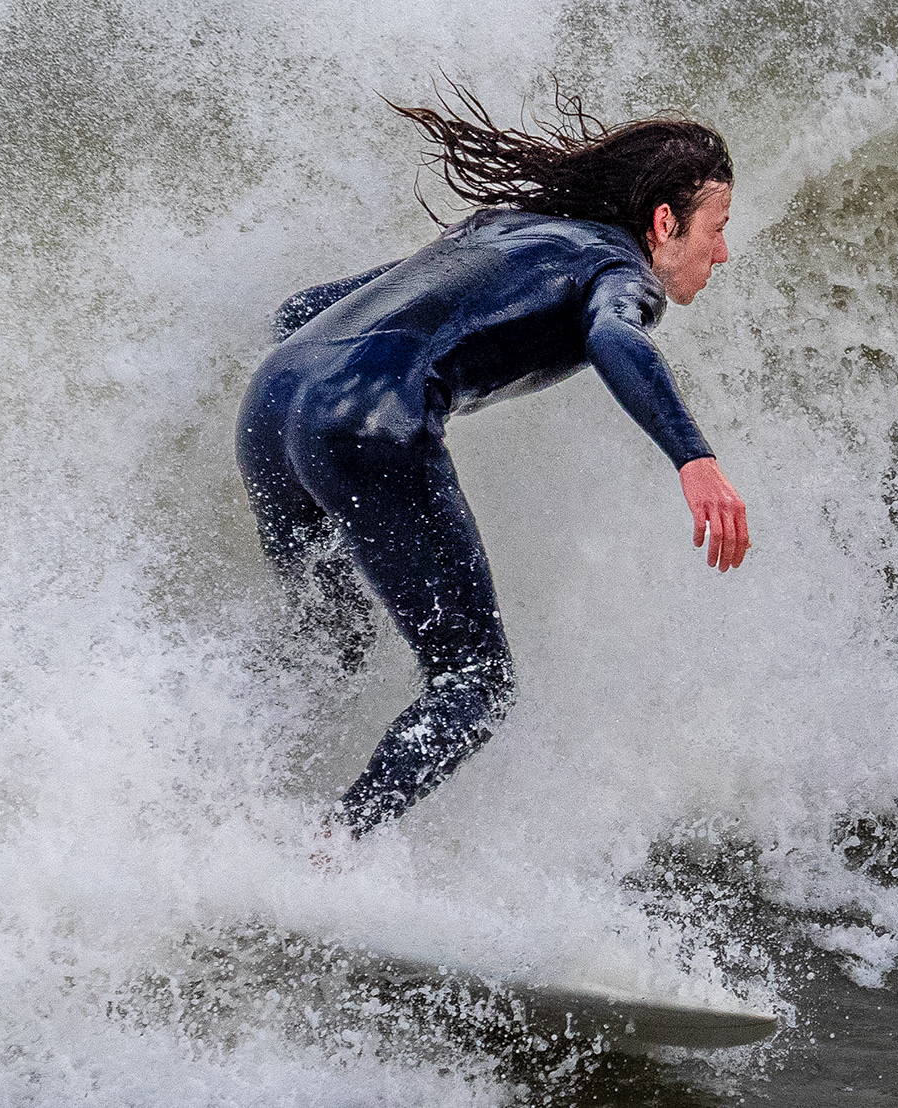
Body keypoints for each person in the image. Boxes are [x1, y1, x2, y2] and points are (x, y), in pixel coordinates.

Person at [236, 87, 750, 838]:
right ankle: (327, 848)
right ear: (664, 223)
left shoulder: (502, 226)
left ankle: (217, 782)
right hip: (364, 426)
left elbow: (300, 311)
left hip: (271, 403)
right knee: (476, 683)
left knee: (330, 647)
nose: (723, 251)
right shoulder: (621, 272)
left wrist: (311, 401)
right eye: (719, 227)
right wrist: (694, 460)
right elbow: (615, 339)